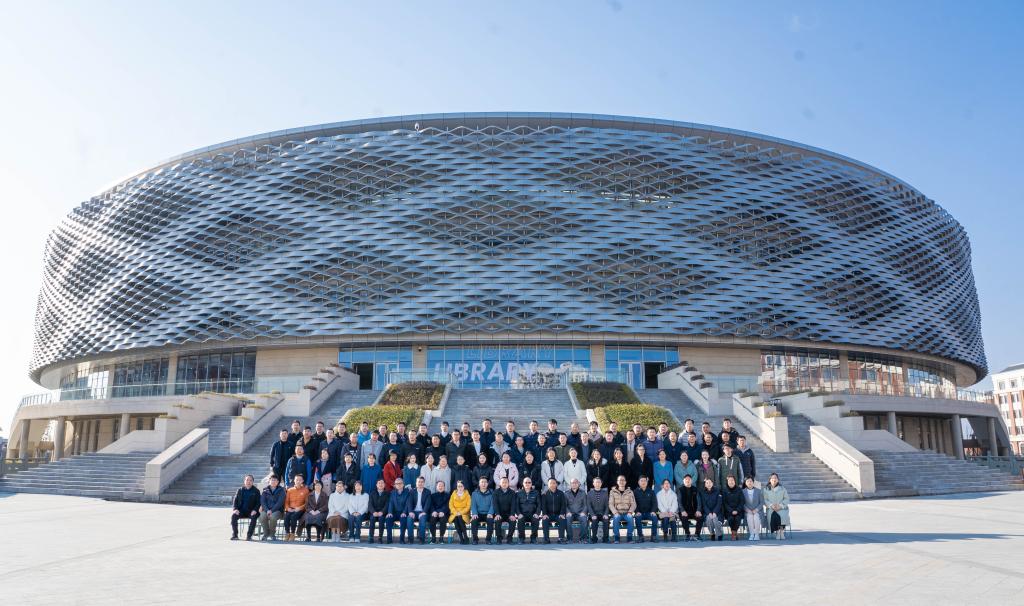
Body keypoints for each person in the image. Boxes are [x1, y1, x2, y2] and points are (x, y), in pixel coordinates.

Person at [230, 474, 260, 541]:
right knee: (234, 516)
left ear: (253, 482)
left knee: (254, 517)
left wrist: (255, 510)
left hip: (251, 511)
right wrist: (235, 509)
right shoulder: (240, 490)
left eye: (250, 480)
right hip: (241, 511)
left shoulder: (256, 491)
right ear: (244, 481)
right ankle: (235, 535)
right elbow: (235, 500)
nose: (248, 482)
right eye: (247, 480)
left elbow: (258, 502)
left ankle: (249, 536)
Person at [609, 474, 637, 543]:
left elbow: (633, 504)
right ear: (617, 482)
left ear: (625, 482)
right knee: (616, 518)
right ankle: (617, 538)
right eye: (620, 480)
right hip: (617, 512)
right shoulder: (612, 491)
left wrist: (630, 512)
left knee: (630, 518)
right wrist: (615, 512)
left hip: (627, 512)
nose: (621, 482)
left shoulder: (630, 492)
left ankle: (629, 537)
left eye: (623, 480)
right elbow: (610, 504)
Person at [539, 477, 568, 544]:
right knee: (544, 520)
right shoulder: (545, 494)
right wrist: (544, 514)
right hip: (548, 514)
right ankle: (546, 539)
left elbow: (563, 505)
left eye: (554, 483)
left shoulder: (561, 493)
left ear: (556, 484)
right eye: (550, 483)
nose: (552, 484)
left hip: (558, 514)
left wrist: (562, 514)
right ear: (548, 484)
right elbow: (543, 506)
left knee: (562, 519)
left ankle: (561, 538)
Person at [385, 477, 413, 544]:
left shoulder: (407, 492)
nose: (398, 485)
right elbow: (391, 503)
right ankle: (389, 539)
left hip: (403, 512)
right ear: (395, 485)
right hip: (394, 513)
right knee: (388, 519)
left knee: (403, 519)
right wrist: (390, 512)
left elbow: (407, 504)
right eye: (397, 484)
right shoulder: (392, 493)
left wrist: (404, 512)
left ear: (403, 484)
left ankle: (401, 539)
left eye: (400, 483)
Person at [258, 474, 286, 541]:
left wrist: (272, 510)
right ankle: (266, 534)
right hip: (266, 510)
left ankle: (272, 534)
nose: (273, 481)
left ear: (278, 482)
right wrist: (267, 510)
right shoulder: (265, 490)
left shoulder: (281, 490)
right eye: (272, 480)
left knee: (273, 517)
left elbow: (280, 503)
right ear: (269, 481)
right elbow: (263, 502)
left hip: (277, 511)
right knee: (262, 516)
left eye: (275, 480)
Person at [764, 473, 791, 540]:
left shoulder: (782, 489)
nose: (774, 479)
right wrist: (771, 505)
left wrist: (780, 506)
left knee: (782, 515)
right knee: (774, 516)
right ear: (770, 480)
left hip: (782, 508)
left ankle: (781, 532)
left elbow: (786, 499)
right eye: (772, 478)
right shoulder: (766, 489)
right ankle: (777, 532)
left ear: (778, 480)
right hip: (771, 508)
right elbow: (765, 500)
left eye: (775, 478)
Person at [515, 477, 541, 544]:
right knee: (520, 520)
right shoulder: (518, 493)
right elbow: (516, 505)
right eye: (525, 482)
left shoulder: (536, 493)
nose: (527, 484)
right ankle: (521, 538)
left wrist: (537, 513)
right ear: (523, 483)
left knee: (536, 519)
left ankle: (533, 538)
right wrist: (518, 514)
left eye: (529, 482)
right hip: (522, 514)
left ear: (531, 484)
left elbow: (539, 505)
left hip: (533, 514)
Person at [283, 475, 309, 542]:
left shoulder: (306, 490)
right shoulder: (289, 490)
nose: (298, 481)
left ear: (302, 481)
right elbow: (286, 501)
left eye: (300, 480)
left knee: (293, 517)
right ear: (294, 480)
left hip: (300, 509)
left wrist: (300, 508)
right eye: (297, 480)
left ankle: (292, 533)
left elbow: (307, 503)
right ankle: (287, 533)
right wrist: (287, 508)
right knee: (286, 516)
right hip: (290, 508)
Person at [492, 476, 517, 544]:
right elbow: (495, 504)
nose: (504, 484)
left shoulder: (512, 492)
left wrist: (512, 514)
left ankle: (509, 538)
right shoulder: (496, 492)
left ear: (508, 483)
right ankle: (499, 538)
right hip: (499, 514)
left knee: (513, 520)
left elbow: (513, 504)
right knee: (497, 520)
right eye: (503, 482)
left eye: (506, 482)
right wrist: (497, 514)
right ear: (500, 484)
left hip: (509, 514)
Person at [470, 476, 495, 545]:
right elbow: (473, 505)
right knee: (474, 520)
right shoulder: (474, 493)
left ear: (487, 484)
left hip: (488, 513)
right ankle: (475, 539)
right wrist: (474, 513)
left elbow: (493, 505)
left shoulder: (492, 493)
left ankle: (488, 539)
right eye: (482, 482)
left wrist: (490, 513)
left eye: (485, 482)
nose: (483, 484)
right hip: (478, 513)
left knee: (490, 520)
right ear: (479, 484)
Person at [633, 475, 658, 543]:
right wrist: (637, 511)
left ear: (647, 482)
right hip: (640, 513)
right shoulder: (635, 492)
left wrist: (653, 511)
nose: (643, 482)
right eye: (641, 481)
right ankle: (640, 536)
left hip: (649, 513)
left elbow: (655, 503)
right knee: (637, 518)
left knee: (655, 517)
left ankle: (653, 536)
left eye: (645, 481)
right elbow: (633, 503)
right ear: (638, 482)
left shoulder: (651, 491)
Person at [586, 476, 611, 544]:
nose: (597, 484)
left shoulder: (605, 493)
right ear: (593, 483)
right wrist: (592, 515)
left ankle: (605, 538)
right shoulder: (589, 493)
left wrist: (606, 514)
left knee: (606, 520)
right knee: (594, 521)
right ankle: (594, 538)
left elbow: (607, 505)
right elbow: (589, 505)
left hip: (603, 513)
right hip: (594, 513)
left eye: (599, 482)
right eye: (596, 482)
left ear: (601, 483)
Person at [677, 473, 701, 541]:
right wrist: (682, 511)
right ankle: (688, 534)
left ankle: (697, 534)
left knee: (700, 518)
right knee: (684, 518)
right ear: (683, 481)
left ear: (691, 481)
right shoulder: (680, 489)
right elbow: (679, 501)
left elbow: (699, 501)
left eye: (689, 479)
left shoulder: (695, 489)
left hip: (693, 511)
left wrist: (698, 510)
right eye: (686, 479)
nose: (687, 480)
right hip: (684, 511)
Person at [564, 477, 588, 543]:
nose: (574, 484)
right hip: (570, 513)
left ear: (578, 484)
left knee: (584, 519)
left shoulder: (583, 493)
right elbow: (565, 505)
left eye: (576, 483)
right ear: (570, 484)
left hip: (580, 513)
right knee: (567, 519)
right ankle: (569, 538)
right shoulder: (566, 493)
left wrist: (583, 512)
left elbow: (585, 505)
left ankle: (582, 538)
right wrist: (567, 512)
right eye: (572, 483)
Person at [409, 476, 431, 544]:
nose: (420, 483)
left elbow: (428, 503)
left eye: (422, 482)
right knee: (409, 519)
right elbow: (409, 502)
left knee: (423, 519)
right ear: (416, 483)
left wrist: (424, 512)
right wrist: (410, 512)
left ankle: (422, 539)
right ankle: (410, 539)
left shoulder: (427, 492)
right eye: (419, 482)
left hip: (422, 512)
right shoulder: (412, 491)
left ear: (424, 483)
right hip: (414, 512)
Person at [448, 480, 472, 544]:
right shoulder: (453, 494)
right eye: (458, 486)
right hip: (455, 513)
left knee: (460, 518)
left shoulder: (467, 495)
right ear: (457, 487)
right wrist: (455, 512)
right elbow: (450, 505)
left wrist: (460, 513)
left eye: (461, 486)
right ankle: (462, 538)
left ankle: (465, 537)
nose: (460, 488)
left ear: (464, 487)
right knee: (456, 518)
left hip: (465, 513)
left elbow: (468, 506)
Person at [721, 475, 744, 541]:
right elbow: (724, 502)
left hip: (738, 510)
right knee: (731, 519)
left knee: (737, 518)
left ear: (735, 481)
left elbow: (742, 501)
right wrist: (731, 510)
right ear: (727, 482)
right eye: (730, 480)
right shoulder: (725, 490)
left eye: (732, 480)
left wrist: (737, 510)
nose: (731, 482)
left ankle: (733, 533)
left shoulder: (739, 490)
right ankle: (735, 533)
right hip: (728, 511)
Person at [366, 478, 389, 543]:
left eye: (382, 483)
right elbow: (370, 504)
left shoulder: (387, 494)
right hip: (374, 512)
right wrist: (373, 512)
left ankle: (380, 537)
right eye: (379, 483)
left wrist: (382, 512)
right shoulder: (372, 493)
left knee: (381, 519)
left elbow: (387, 505)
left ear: (384, 485)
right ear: (376, 485)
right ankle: (371, 537)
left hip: (382, 513)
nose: (380, 484)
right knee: (372, 519)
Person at [742, 476, 764, 541]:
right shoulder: (743, 491)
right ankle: (751, 534)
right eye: (748, 481)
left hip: (758, 510)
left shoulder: (758, 491)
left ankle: (756, 534)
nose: (749, 483)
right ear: (745, 483)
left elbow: (762, 502)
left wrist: (756, 510)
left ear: (753, 482)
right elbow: (742, 503)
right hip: (747, 511)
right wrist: (747, 510)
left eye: (751, 481)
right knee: (749, 516)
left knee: (756, 517)